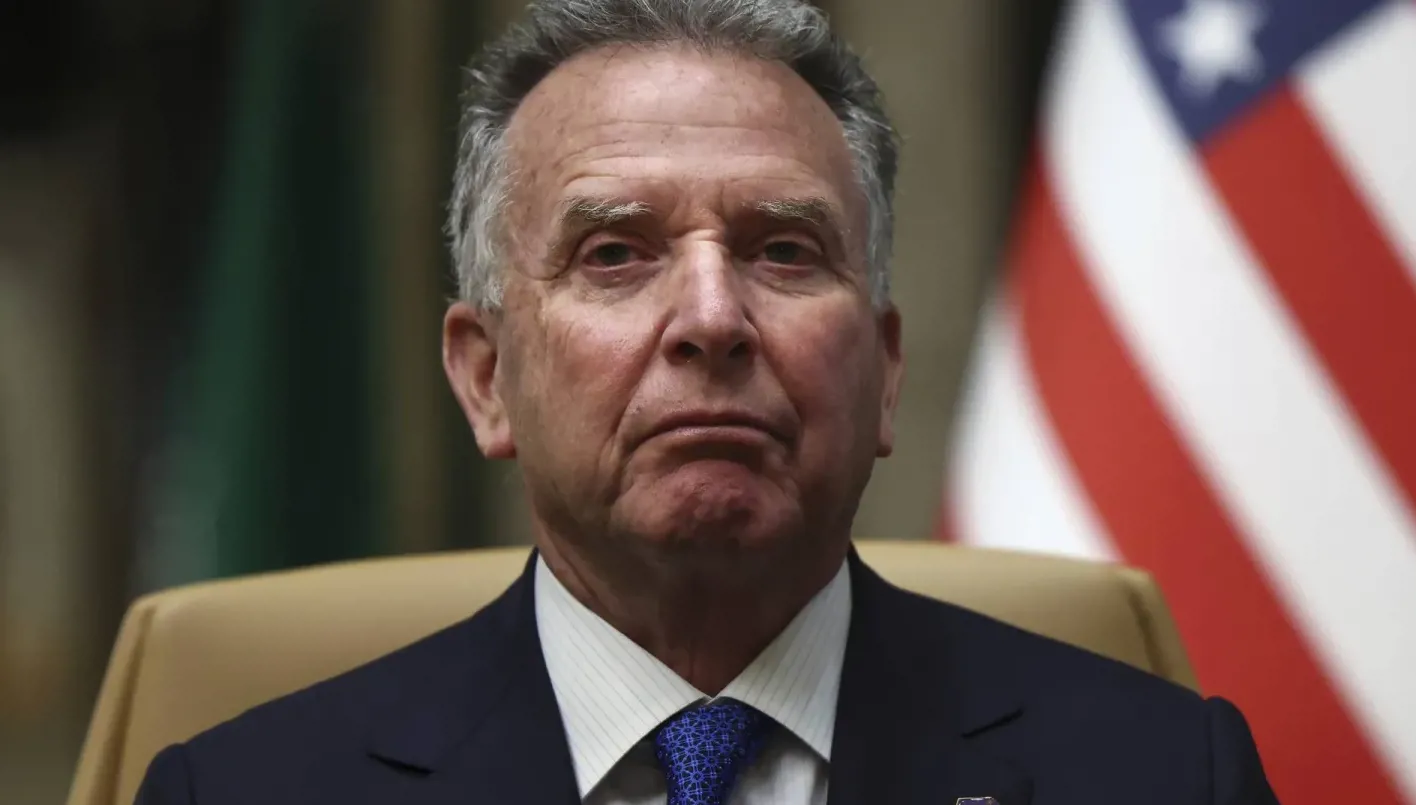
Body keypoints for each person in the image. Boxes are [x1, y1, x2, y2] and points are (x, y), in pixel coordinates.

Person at [135, 0, 1279, 802]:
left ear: (884, 372)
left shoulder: (1166, 777)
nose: (713, 316)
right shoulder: (239, 791)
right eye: (615, 254)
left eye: (783, 250)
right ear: (486, 378)